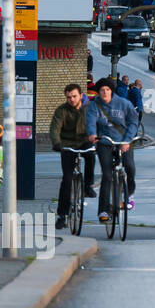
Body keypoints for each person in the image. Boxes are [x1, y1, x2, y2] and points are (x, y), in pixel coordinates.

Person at [86, 77, 139, 224]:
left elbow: (133, 122)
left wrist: (127, 140)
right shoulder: (94, 105)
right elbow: (90, 120)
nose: (104, 92)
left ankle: (130, 194)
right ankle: (103, 210)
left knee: (130, 166)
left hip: (123, 141)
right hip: (104, 142)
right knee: (107, 175)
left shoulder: (124, 104)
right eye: (101, 90)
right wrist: (92, 134)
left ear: (112, 91)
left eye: (107, 90)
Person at [50, 84, 96, 229]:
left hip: (85, 141)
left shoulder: (90, 108)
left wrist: (97, 137)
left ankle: (88, 185)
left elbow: (98, 123)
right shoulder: (62, 110)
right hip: (68, 144)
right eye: (68, 97)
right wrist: (57, 143)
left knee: (91, 156)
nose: (71, 99)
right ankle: (62, 215)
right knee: (67, 179)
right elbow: (55, 128)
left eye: (74, 96)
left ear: (81, 95)